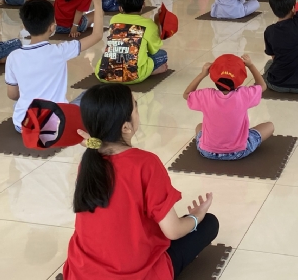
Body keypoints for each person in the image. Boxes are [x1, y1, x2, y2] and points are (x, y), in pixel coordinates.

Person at [63, 83, 219, 280]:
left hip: (81, 273)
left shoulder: (87, 162)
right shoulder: (145, 164)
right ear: (126, 126)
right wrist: (197, 215)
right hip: (138, 275)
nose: (138, 110)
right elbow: (173, 231)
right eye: (135, 105)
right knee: (210, 223)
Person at [7, 0, 105, 131]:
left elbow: (12, 95)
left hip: (22, 125)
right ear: (52, 27)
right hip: (56, 124)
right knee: (91, 94)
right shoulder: (60, 51)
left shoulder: (13, 56)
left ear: (24, 26)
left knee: (19, 104)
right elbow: (97, 35)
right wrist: (98, 2)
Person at [183, 54, 274, 160]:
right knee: (270, 126)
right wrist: (250, 65)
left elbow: (186, 94)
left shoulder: (206, 95)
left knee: (199, 126)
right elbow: (262, 86)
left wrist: (202, 74)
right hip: (239, 152)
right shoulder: (244, 94)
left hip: (207, 151)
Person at [96, 0, 169, 83]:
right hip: (133, 77)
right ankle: (150, 71)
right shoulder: (148, 24)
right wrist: (157, 21)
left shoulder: (114, 19)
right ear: (143, 5)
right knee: (162, 54)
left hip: (105, 75)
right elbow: (154, 49)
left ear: (120, 8)